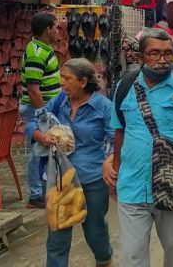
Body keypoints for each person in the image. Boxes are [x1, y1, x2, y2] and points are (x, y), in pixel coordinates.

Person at [102, 29, 173, 267]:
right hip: (132, 185)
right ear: (140, 57)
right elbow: (120, 131)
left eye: (168, 54)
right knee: (132, 256)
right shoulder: (124, 86)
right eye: (154, 54)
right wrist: (115, 169)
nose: (162, 60)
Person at [28, 58, 114, 267]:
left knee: (94, 231)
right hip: (60, 180)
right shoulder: (58, 102)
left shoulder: (103, 106)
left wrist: (111, 160)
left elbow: (116, 139)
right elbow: (32, 123)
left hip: (92, 179)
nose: (62, 83)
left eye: (67, 79)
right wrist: (42, 137)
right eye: (61, 78)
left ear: (83, 81)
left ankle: (104, 259)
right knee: (57, 235)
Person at [20, 12, 62, 209]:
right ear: (48, 30)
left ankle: (42, 191)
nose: (58, 31)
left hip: (43, 106)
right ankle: (36, 195)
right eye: (56, 27)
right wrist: (44, 114)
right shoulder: (37, 53)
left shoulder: (44, 48)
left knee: (43, 149)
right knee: (37, 150)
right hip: (37, 107)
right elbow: (33, 89)